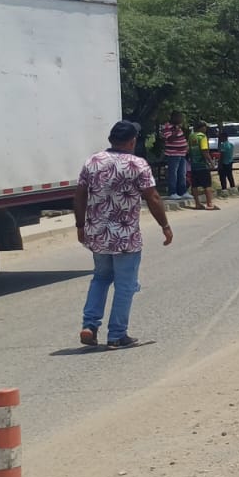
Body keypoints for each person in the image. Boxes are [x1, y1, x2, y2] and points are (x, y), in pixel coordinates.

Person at [75, 120, 172, 348]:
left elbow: (80, 194)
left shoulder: (93, 161)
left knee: (100, 278)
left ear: (111, 140)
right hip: (125, 237)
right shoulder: (137, 165)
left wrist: (80, 225)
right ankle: (117, 334)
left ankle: (90, 325)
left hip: (97, 234)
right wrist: (165, 226)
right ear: (132, 141)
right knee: (125, 285)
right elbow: (153, 197)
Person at [159, 112, 190, 201]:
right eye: (180, 118)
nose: (181, 120)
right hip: (173, 154)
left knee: (182, 173)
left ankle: (182, 192)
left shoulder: (179, 128)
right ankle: (172, 192)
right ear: (174, 118)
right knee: (173, 174)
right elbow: (170, 138)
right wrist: (176, 130)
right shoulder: (167, 127)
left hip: (182, 154)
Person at [189, 122, 219, 210]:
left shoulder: (191, 137)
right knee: (207, 185)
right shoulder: (202, 137)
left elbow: (189, 150)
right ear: (201, 128)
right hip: (202, 164)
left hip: (194, 164)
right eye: (205, 127)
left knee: (194, 185)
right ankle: (209, 204)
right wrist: (211, 162)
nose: (206, 129)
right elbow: (204, 150)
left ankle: (197, 203)